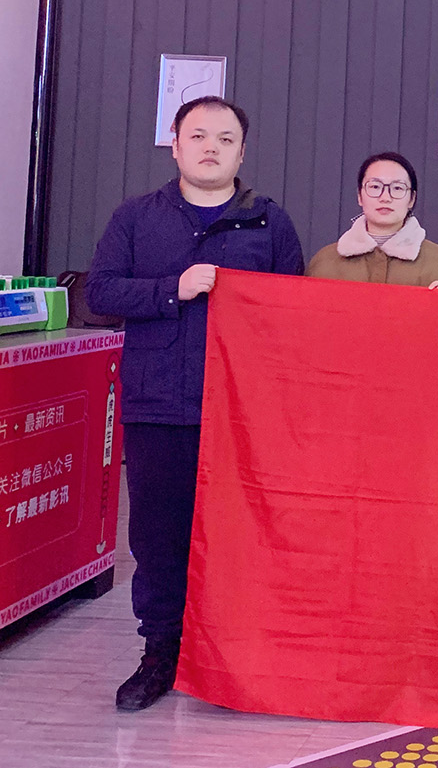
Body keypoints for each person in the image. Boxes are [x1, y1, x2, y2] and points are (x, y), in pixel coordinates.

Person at [85, 97, 304, 711]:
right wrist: (171, 290)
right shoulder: (136, 218)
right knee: (158, 539)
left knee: (240, 537)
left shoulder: (269, 223)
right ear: (175, 146)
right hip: (158, 405)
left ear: (242, 152)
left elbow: (295, 314)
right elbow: (100, 292)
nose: (211, 147)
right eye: (199, 136)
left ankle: (233, 660)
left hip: (240, 414)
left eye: (225, 138)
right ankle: (161, 653)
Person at [306, 152, 438, 290]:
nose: (385, 197)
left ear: (411, 199)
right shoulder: (323, 264)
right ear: (359, 196)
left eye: (397, 188)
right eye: (375, 187)